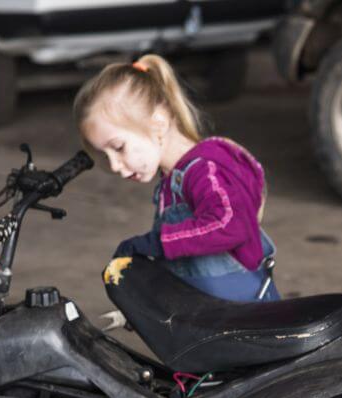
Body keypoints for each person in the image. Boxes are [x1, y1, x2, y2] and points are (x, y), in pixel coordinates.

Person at [74, 55, 279, 303]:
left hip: (248, 322)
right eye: (105, 155)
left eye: (118, 147)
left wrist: (158, 243)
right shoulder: (170, 183)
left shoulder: (206, 169)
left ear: (158, 124)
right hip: (207, 319)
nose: (115, 166)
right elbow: (185, 258)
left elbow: (230, 224)